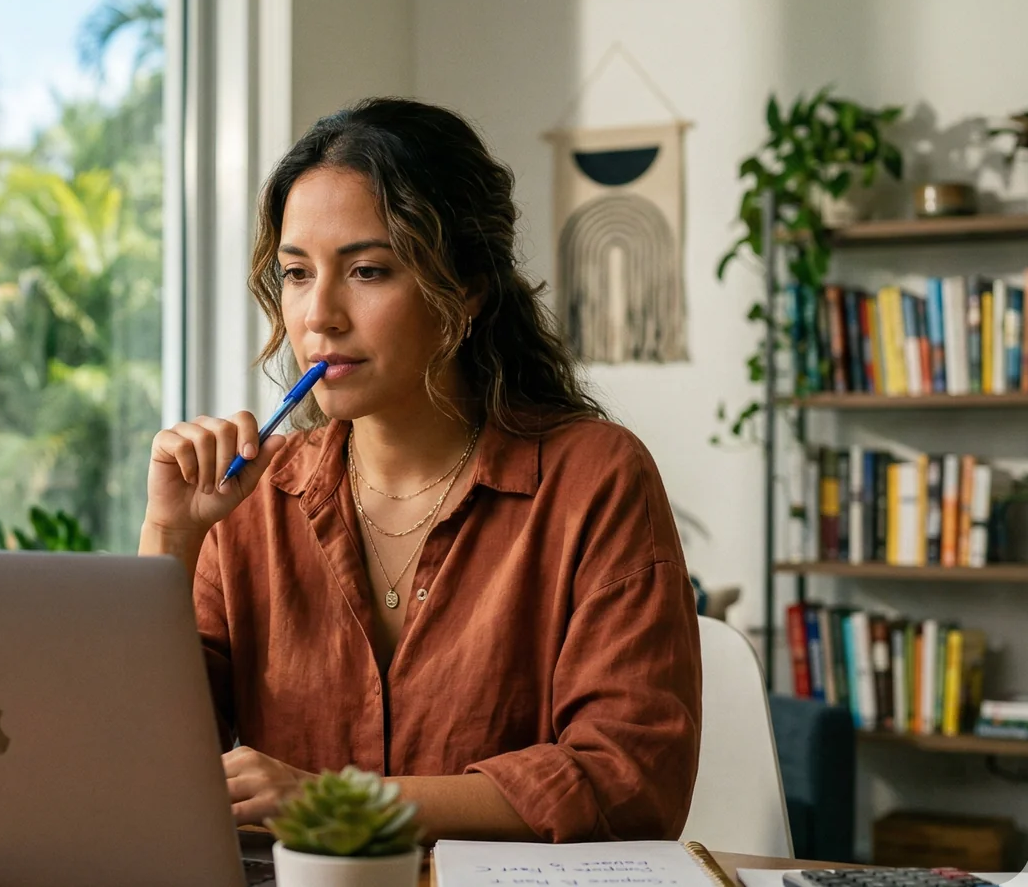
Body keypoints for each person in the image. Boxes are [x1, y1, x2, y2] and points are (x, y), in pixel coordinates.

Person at [139, 98, 701, 843]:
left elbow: (630, 777)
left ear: (466, 290)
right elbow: (142, 766)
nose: (319, 316)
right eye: (297, 274)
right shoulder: (246, 502)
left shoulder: (594, 478)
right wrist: (169, 538)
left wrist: (340, 803)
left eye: (367, 270)